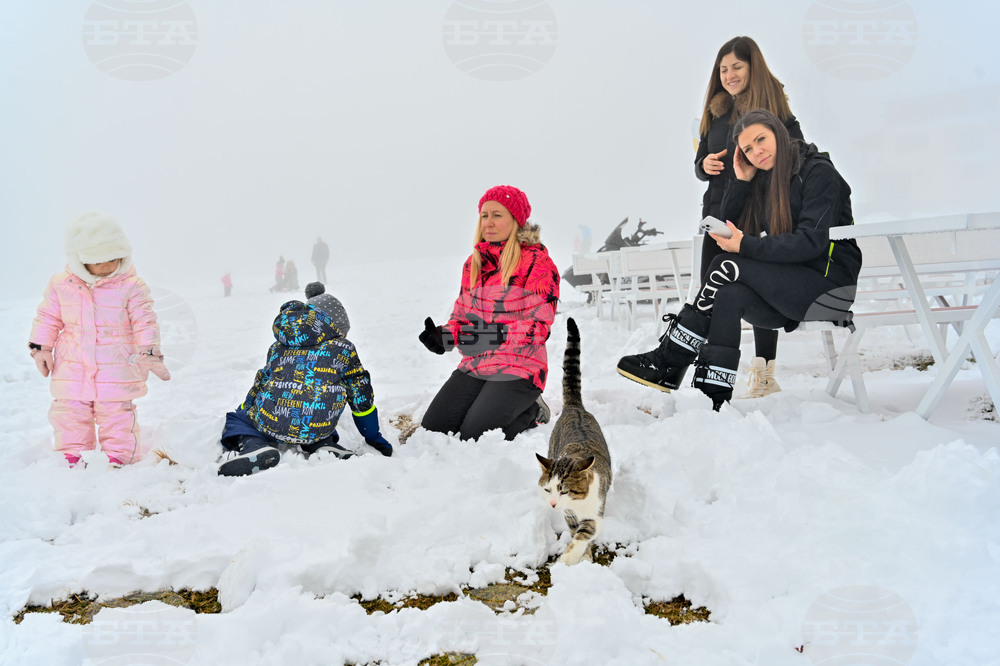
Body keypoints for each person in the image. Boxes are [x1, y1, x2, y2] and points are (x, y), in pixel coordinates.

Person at [618, 109, 861, 411]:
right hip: (790, 293)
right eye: (747, 148)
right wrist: (742, 183)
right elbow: (729, 226)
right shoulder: (768, 180)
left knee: (727, 266)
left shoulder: (818, 172)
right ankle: (713, 400)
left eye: (761, 139)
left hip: (829, 290)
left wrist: (746, 245)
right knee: (729, 297)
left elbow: (810, 243)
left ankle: (671, 359)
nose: (756, 151)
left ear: (779, 134)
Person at [694, 36, 804, 398]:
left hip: (758, 212)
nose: (729, 74)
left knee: (757, 286)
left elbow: (794, 149)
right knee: (710, 285)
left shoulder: (772, 107)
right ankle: (711, 367)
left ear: (752, 66)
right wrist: (704, 165)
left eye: (737, 67)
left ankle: (764, 372)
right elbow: (701, 161)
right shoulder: (716, 112)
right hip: (719, 211)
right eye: (723, 69)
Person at [28, 212, 171, 466]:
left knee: (116, 415)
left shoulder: (131, 286)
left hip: (115, 368)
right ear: (80, 260)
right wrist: (41, 347)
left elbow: (144, 319)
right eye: (99, 260)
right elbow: (48, 317)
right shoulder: (62, 285)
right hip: (72, 367)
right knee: (70, 413)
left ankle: (119, 458)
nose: (107, 265)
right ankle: (72, 457)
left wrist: (149, 350)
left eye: (113, 258)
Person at [418, 185, 559, 441]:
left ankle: (532, 408)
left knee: (475, 435)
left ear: (516, 221)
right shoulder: (474, 264)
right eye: (484, 215)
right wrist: (445, 336)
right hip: (477, 364)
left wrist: (497, 334)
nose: (488, 223)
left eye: (497, 215)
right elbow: (462, 318)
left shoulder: (537, 263)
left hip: (520, 366)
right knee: (434, 431)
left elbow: (539, 327)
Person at [218, 281, 392, 476]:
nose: (342, 337)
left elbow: (261, 382)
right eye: (341, 332)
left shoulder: (278, 347)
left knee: (237, 419)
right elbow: (361, 398)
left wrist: (246, 411)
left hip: (271, 421)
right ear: (329, 325)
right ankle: (324, 444)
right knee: (320, 411)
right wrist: (373, 436)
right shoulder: (344, 349)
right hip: (317, 427)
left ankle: (254, 445)